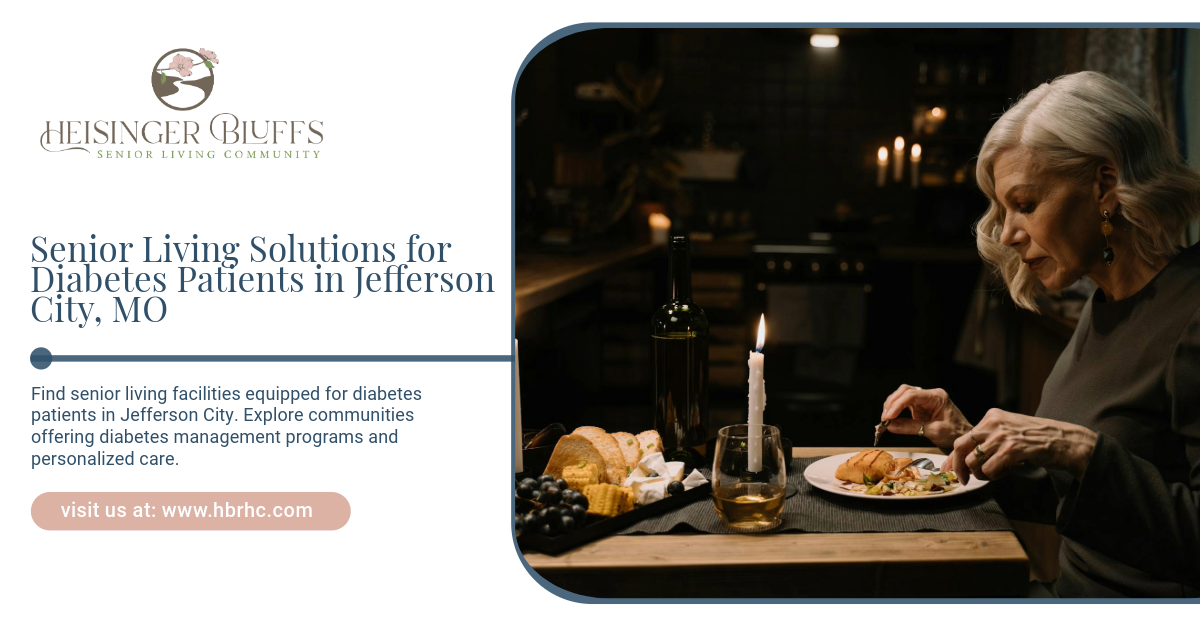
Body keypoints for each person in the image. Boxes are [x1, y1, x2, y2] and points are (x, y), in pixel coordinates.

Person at [880, 71, 1200, 597]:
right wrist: (970, 441)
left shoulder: (1192, 315)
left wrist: (1076, 447)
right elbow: (1082, 502)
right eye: (1003, 210)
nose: (1006, 233)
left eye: (1025, 204)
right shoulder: (1107, 302)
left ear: (1105, 184)